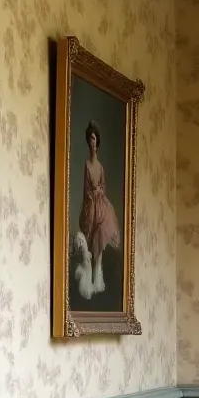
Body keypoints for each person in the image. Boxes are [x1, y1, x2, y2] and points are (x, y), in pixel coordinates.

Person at [76, 120, 120, 296]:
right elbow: (85, 190)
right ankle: (90, 281)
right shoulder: (87, 165)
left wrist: (99, 191)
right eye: (90, 139)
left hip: (101, 205)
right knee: (91, 239)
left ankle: (98, 280)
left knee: (101, 236)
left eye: (94, 139)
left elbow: (103, 186)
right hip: (90, 206)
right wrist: (90, 198)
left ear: (97, 141)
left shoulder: (100, 167)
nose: (92, 142)